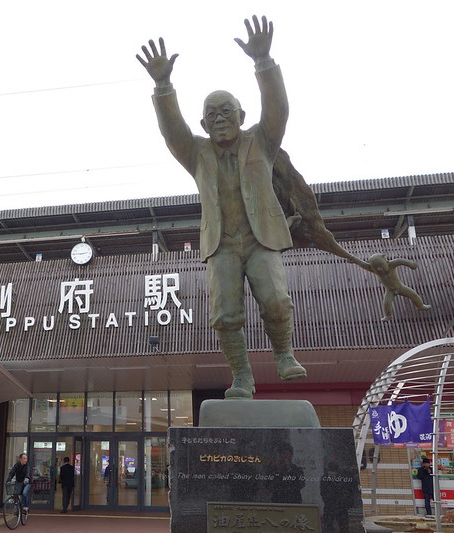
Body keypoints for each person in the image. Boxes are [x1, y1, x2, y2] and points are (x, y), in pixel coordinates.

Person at [137, 15, 306, 398]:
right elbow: (172, 131)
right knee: (225, 316)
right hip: (221, 245)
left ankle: (284, 355)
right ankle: (242, 377)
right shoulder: (196, 153)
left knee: (277, 300)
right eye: (211, 114)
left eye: (226, 111)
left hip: (260, 238)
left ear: (241, 116)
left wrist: (263, 62)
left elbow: (279, 108)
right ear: (204, 122)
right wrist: (163, 85)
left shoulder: (262, 140)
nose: (219, 119)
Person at [367, 254, 431, 321]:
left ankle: (420, 305)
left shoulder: (391, 265)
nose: (379, 269)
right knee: (386, 303)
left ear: (386, 261)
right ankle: (388, 315)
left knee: (413, 295)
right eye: (376, 268)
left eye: (381, 266)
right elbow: (362, 263)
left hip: (400, 287)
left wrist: (411, 265)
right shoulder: (374, 270)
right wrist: (354, 259)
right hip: (389, 291)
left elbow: (400, 261)